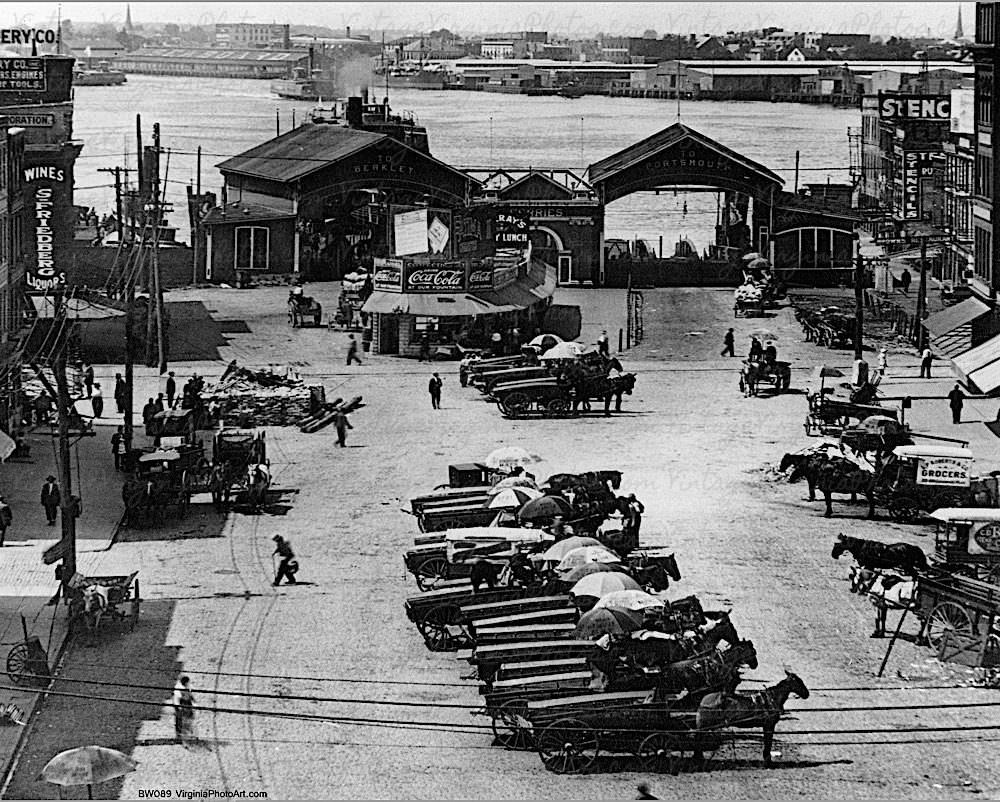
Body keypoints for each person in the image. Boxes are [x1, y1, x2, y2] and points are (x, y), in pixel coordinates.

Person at [173, 676, 194, 743]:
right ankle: (179, 737)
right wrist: (179, 707)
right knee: (180, 722)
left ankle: (189, 735)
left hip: (187, 706)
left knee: (188, 720)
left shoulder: (187, 687)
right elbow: (177, 699)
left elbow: (190, 696)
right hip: (181, 706)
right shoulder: (178, 689)